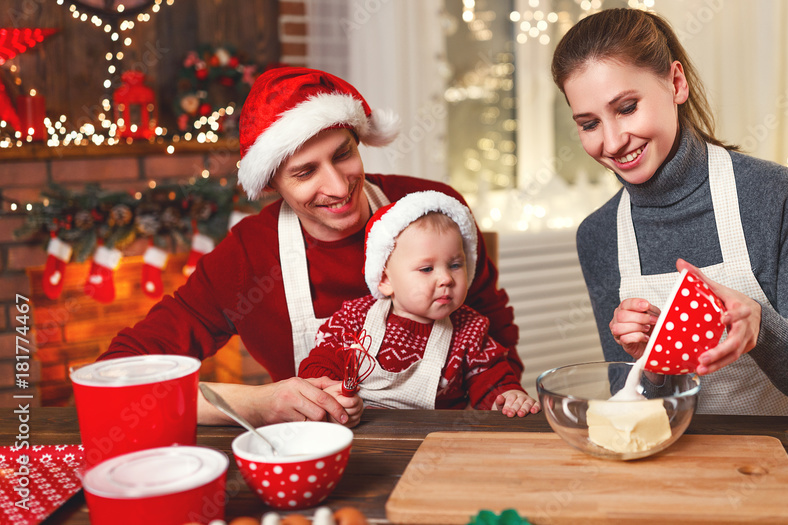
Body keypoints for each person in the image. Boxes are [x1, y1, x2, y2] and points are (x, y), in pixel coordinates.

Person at [100, 67, 523, 427]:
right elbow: (116, 376)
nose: (339, 187)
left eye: (343, 155)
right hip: (318, 458)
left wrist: (501, 409)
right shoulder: (248, 256)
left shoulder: (433, 209)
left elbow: (493, 328)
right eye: (305, 173)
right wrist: (259, 404)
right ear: (272, 184)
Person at [551, 8, 788, 416]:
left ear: (676, 83)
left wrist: (762, 328)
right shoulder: (598, 236)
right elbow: (636, 404)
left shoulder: (773, 195)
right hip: (696, 460)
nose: (611, 142)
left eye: (627, 107)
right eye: (589, 124)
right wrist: (651, 365)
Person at [299, 191, 540, 417]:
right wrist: (327, 391)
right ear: (384, 280)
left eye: (455, 265)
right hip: (362, 433)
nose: (446, 278)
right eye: (426, 269)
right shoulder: (354, 318)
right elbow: (321, 362)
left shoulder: (470, 329)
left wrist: (507, 396)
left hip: (436, 439)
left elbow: (490, 377)